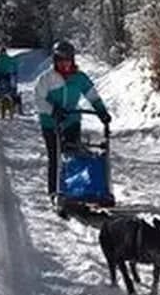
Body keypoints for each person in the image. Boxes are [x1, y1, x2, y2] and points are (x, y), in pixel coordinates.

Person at [34, 40, 111, 202]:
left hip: (71, 120)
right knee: (55, 157)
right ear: (55, 60)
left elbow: (92, 96)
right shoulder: (47, 79)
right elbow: (39, 99)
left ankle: (75, 189)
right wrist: (53, 111)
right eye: (61, 60)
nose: (65, 64)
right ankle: (55, 191)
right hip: (51, 123)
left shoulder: (79, 78)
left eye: (68, 60)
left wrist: (102, 112)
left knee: (73, 154)